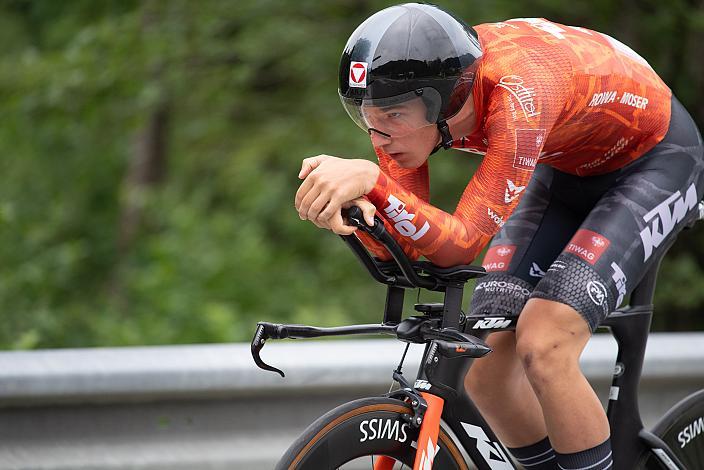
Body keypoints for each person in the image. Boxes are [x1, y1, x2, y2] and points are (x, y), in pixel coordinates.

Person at [294, 3, 704, 469]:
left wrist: (375, 183)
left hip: (656, 162)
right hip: (565, 167)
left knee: (545, 343)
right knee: (486, 366)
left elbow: (462, 242)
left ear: (443, 100)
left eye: (391, 115)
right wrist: (362, 217)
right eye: (364, 114)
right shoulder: (413, 108)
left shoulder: (518, 93)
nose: (377, 134)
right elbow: (413, 242)